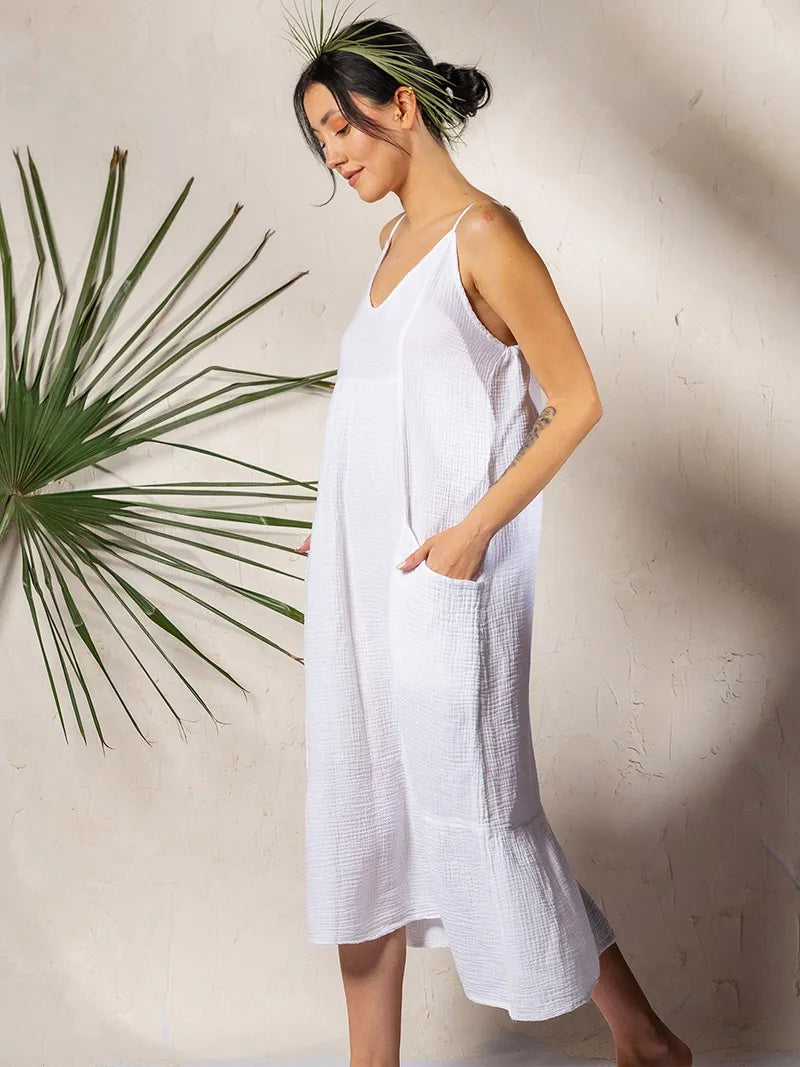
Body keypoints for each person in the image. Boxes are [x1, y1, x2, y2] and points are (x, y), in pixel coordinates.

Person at [286, 4, 693, 1065]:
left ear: (400, 107)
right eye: (319, 138)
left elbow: (577, 400)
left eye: (340, 126)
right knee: (362, 818)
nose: (333, 155)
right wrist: (335, 523)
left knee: (484, 816)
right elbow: (382, 415)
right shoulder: (389, 246)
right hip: (360, 588)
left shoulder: (484, 237)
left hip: (440, 587)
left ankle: (644, 1036)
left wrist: (472, 532)